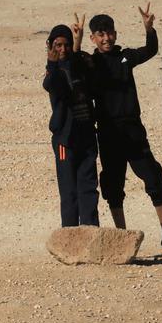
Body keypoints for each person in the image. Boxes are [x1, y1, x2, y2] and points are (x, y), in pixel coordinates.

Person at [87, 6, 162, 256]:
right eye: (100, 34)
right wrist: (76, 40)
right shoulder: (90, 63)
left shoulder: (125, 57)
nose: (106, 38)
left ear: (115, 34)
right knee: (113, 185)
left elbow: (150, 50)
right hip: (109, 133)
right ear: (93, 38)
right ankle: (122, 238)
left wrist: (149, 29)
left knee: (153, 178)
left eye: (109, 33)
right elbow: (73, 62)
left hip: (133, 130)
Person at [43, 18, 100, 227]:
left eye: (66, 44)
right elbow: (50, 85)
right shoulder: (54, 72)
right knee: (69, 191)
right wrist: (51, 62)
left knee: (88, 188)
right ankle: (69, 236)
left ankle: (91, 232)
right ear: (50, 46)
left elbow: (80, 67)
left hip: (86, 136)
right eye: (58, 45)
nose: (63, 49)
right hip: (65, 140)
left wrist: (78, 42)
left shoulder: (80, 64)